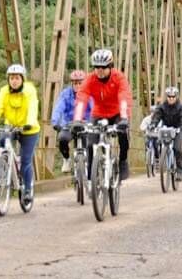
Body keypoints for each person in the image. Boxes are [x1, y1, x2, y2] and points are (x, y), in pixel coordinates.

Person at [72, 48, 132, 180]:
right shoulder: (90, 79)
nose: (99, 70)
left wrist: (124, 118)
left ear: (110, 67)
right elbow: (82, 97)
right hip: (99, 113)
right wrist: (77, 120)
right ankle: (91, 176)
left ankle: (123, 162)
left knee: (123, 136)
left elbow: (124, 97)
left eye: (103, 67)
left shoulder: (119, 78)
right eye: (96, 67)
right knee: (90, 142)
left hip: (118, 113)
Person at [0, 63, 40, 205]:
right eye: (11, 78)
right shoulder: (4, 91)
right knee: (3, 139)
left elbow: (33, 108)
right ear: (8, 80)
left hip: (29, 129)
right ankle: (5, 166)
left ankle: (27, 190)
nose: (14, 81)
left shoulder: (30, 91)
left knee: (26, 161)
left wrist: (30, 123)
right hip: (11, 126)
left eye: (17, 78)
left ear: (22, 79)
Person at [51, 69, 91, 173]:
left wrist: (96, 120)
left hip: (85, 123)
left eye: (80, 83)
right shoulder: (65, 94)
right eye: (75, 83)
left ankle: (88, 168)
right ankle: (66, 159)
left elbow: (94, 107)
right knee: (62, 139)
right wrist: (55, 122)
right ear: (72, 83)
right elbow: (58, 108)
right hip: (69, 124)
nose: (78, 85)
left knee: (88, 145)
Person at [150, 86, 182, 178]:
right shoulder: (162, 107)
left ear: (176, 97)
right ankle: (163, 158)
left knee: (177, 148)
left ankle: (180, 170)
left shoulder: (181, 107)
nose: (171, 98)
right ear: (166, 97)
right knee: (159, 143)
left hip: (178, 128)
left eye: (173, 97)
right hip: (166, 128)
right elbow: (157, 116)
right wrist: (153, 124)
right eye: (169, 96)